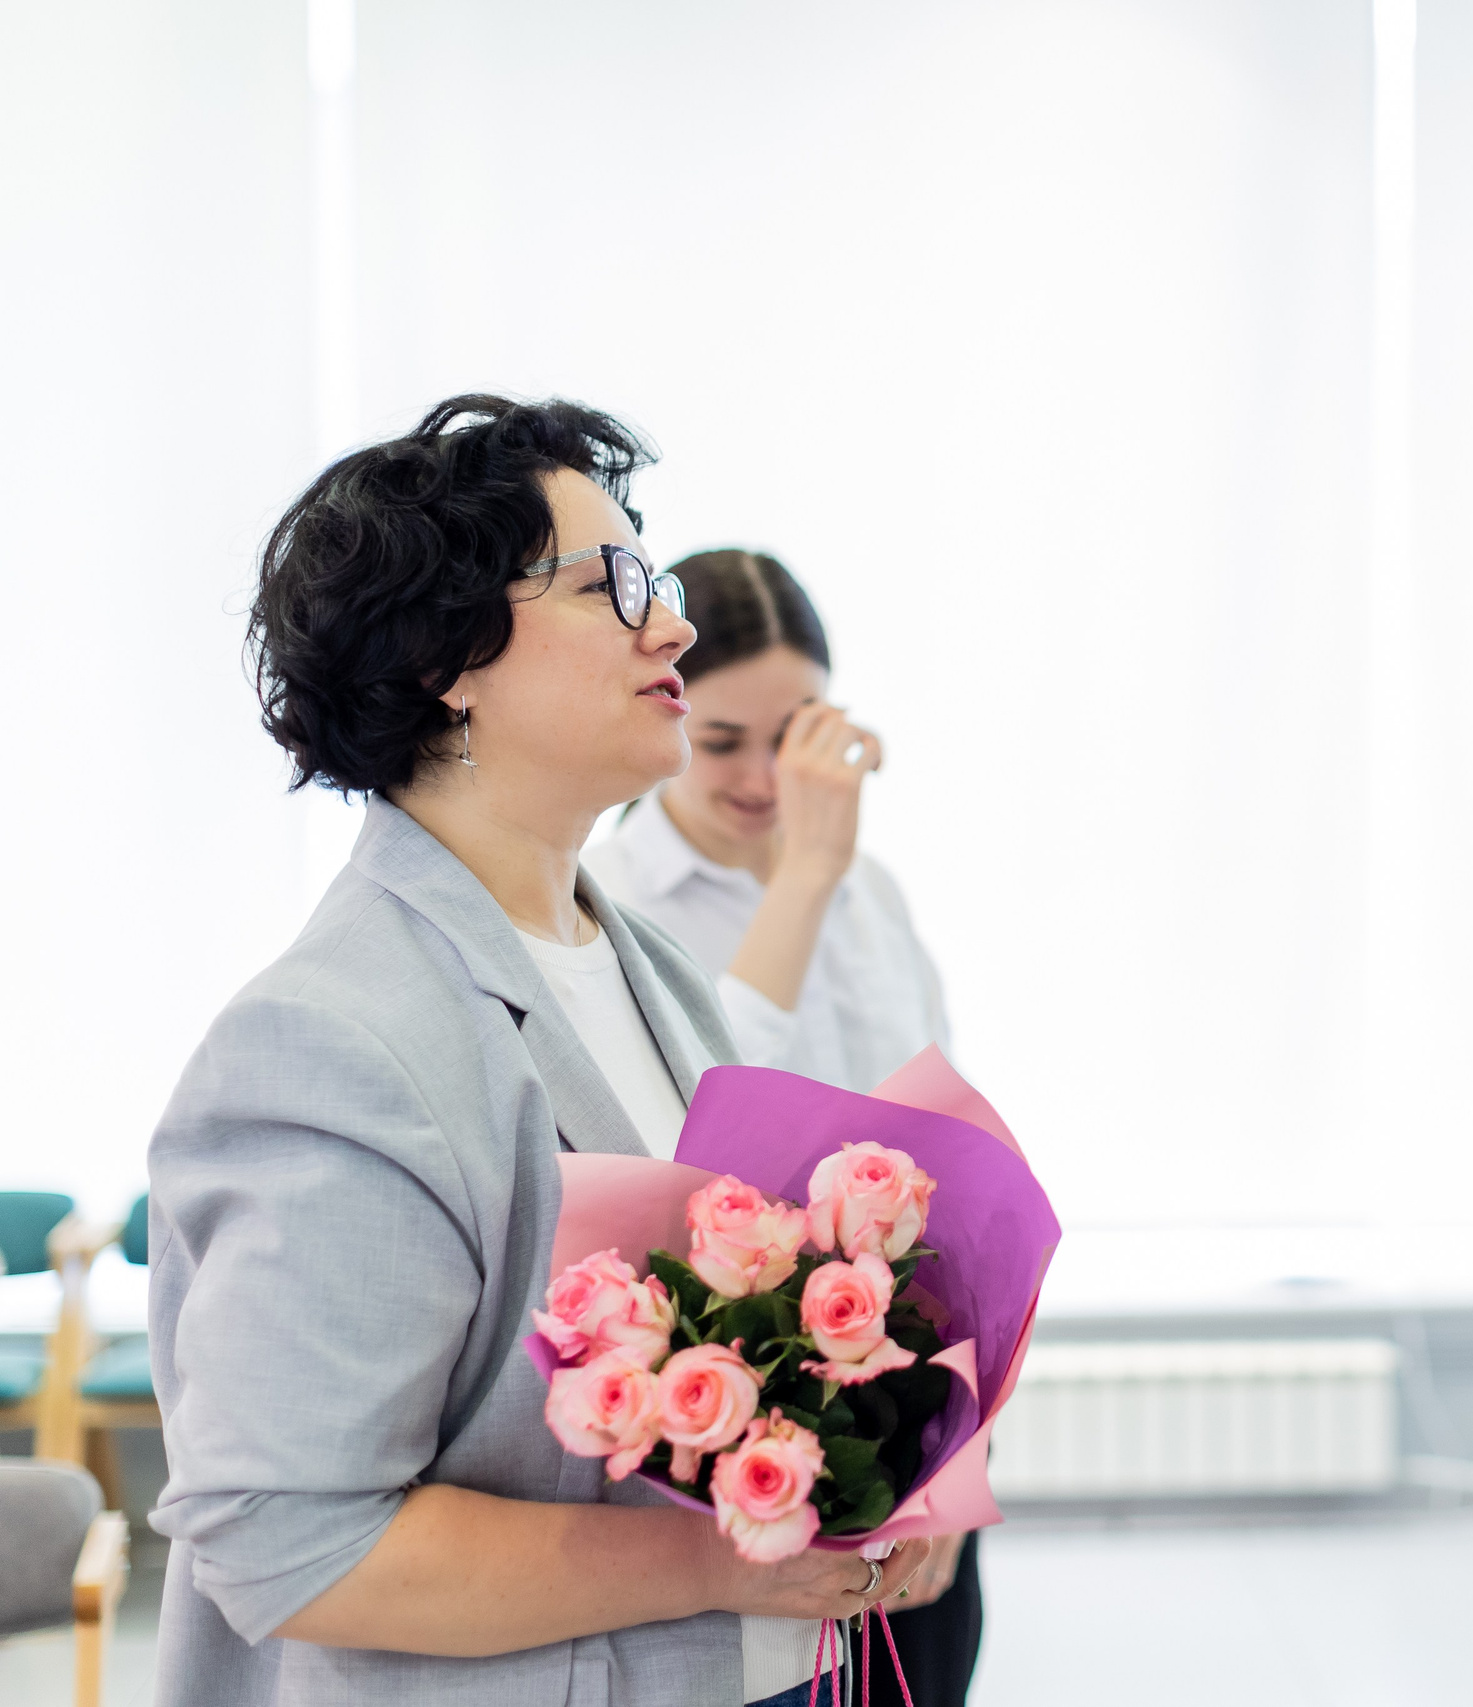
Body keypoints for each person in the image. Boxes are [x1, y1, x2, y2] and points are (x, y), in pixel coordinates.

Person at [148, 396, 929, 1707]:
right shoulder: (327, 1040)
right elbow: (292, 1544)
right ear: (445, 652)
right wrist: (716, 1558)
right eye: (611, 584)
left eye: (659, 579)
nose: (672, 622)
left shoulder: (645, 966)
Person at [586, 548, 980, 1703]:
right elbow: (709, 1147)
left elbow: (951, 1168)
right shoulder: (613, 901)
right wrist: (801, 876)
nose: (763, 776)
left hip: (911, 1403)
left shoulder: (873, 896)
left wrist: (954, 1463)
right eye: (722, 742)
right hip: (733, 1434)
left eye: (793, 734)